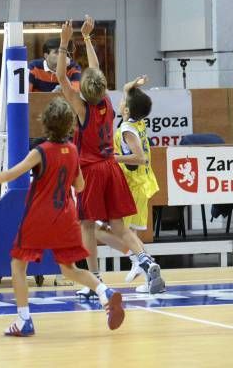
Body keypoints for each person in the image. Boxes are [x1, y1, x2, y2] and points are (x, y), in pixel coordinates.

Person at [0, 97, 125, 336]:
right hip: (66, 216)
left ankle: (23, 319)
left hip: (40, 216)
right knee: (69, 269)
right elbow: (80, 186)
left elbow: (10, 174)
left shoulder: (40, 152)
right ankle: (104, 292)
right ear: (70, 124)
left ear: (46, 123)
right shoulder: (72, 150)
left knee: (18, 266)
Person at [56, 16, 165, 296]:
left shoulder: (83, 108)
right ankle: (146, 260)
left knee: (87, 226)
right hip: (111, 168)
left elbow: (60, 78)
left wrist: (65, 43)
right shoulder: (106, 102)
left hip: (91, 171)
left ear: (83, 88)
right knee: (119, 225)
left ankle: (94, 281)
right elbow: (96, 70)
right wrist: (88, 38)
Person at [112, 76, 166, 293]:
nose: (121, 100)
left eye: (124, 101)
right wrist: (133, 86)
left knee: (121, 230)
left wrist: (112, 158)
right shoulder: (136, 120)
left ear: (126, 110)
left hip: (135, 184)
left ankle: (142, 265)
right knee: (129, 232)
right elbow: (127, 93)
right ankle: (143, 267)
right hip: (137, 182)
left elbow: (140, 157)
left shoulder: (127, 128)